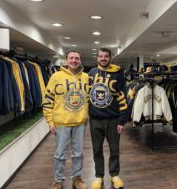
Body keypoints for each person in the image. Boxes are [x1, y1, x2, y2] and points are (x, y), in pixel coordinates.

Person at [43, 50, 89, 189]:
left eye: (77, 58)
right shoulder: (56, 76)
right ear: (66, 60)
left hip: (80, 123)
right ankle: (58, 180)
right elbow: (48, 99)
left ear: (80, 60)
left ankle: (77, 178)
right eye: (71, 58)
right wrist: (50, 121)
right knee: (60, 154)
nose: (74, 60)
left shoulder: (86, 77)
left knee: (78, 153)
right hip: (61, 123)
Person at [88, 48, 128, 189]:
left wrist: (122, 120)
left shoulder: (118, 74)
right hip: (95, 119)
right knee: (97, 149)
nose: (103, 58)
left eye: (106, 56)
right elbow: (87, 96)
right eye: (101, 56)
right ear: (97, 58)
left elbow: (123, 97)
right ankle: (99, 177)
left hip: (113, 119)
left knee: (114, 149)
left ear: (110, 58)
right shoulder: (91, 74)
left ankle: (114, 175)